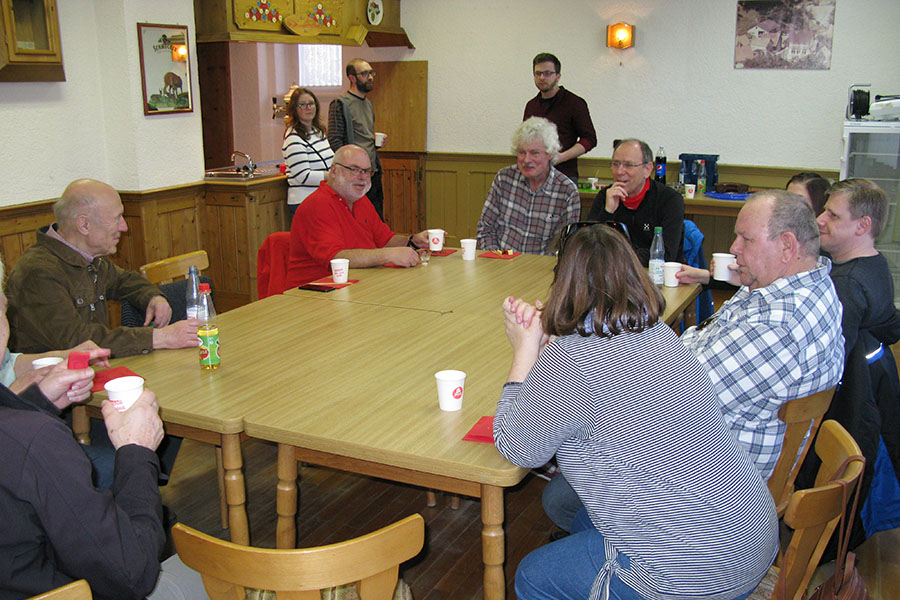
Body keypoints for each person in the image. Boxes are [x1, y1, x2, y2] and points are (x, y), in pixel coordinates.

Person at [494, 223, 777, 600]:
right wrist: (550, 353)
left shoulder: (571, 360)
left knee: (532, 576)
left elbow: (516, 447)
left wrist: (525, 354)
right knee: (578, 516)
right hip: (749, 534)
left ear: (563, 283)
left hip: (701, 574)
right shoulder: (658, 332)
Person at [545, 191, 845, 537]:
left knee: (561, 490)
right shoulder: (795, 288)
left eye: (745, 239)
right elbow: (692, 354)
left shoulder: (779, 324)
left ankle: (627, 549)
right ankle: (599, 538)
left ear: (787, 246)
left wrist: (596, 360)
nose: (734, 247)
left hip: (713, 487)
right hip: (719, 441)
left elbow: (669, 400)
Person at [0, 256, 207, 600]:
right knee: (208, 572)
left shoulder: (23, 433)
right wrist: (137, 451)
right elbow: (132, 574)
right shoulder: (34, 440)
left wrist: (38, 402)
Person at [798, 178, 900, 549]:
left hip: (851, 409)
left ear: (863, 226)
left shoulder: (848, 285)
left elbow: (827, 369)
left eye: (833, 215)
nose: (820, 219)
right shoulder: (871, 266)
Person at [6, 179, 200, 358]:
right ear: (84, 225)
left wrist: (152, 296)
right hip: (50, 388)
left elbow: (123, 280)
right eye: (117, 218)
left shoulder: (88, 256)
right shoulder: (39, 273)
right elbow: (78, 341)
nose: (124, 227)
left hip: (85, 376)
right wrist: (160, 337)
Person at [286, 145, 430, 287]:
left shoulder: (360, 200)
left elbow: (385, 240)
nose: (362, 177)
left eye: (367, 171)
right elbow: (336, 259)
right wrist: (388, 255)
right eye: (355, 170)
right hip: (316, 292)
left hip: (361, 283)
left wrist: (413, 240)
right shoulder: (317, 205)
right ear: (334, 171)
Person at [475, 117, 580, 255]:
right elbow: (485, 229)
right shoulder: (504, 179)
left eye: (534, 153)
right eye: (522, 152)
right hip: (499, 263)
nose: (526, 160)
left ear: (550, 154)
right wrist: (498, 258)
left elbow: (564, 246)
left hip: (541, 270)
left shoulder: (567, 192)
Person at [587, 139, 684, 265]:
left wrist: (615, 255)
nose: (620, 171)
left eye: (628, 165)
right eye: (615, 164)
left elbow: (665, 255)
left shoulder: (669, 200)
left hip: (655, 278)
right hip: (612, 275)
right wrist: (607, 212)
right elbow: (587, 248)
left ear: (647, 170)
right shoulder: (605, 196)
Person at [523, 52, 597, 182]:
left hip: (564, 174)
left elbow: (590, 139)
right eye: (538, 73)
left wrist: (561, 157)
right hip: (535, 174)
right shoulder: (531, 105)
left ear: (558, 76)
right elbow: (525, 139)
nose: (542, 77)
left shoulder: (575, 103)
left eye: (547, 73)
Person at [328, 58, 385, 219]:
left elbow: (363, 136)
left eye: (371, 73)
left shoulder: (368, 104)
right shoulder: (341, 103)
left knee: (376, 219)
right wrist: (351, 167)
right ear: (352, 78)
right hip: (354, 175)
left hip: (372, 172)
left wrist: (374, 143)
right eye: (365, 73)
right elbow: (335, 140)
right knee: (357, 220)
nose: (370, 77)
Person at [282, 86, 334, 218]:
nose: (308, 108)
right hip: (304, 201)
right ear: (294, 109)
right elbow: (303, 176)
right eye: (302, 105)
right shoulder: (294, 138)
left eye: (311, 104)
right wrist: (332, 176)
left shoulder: (318, 132)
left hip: (323, 197)